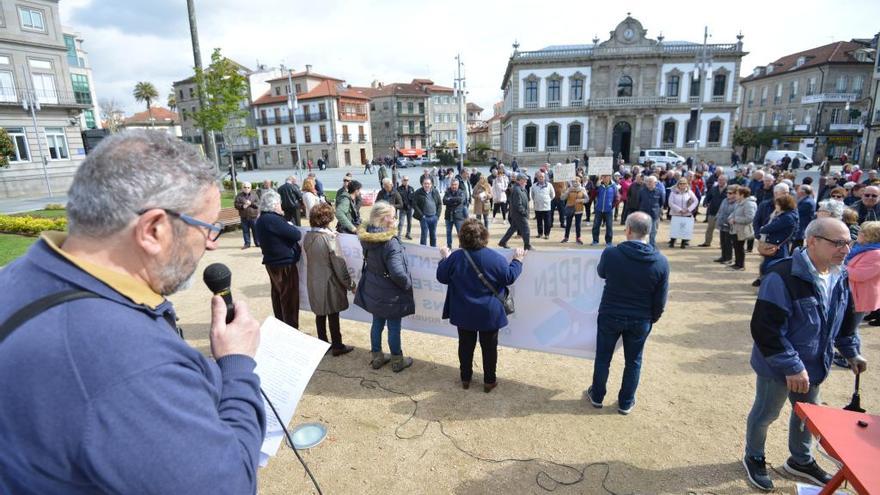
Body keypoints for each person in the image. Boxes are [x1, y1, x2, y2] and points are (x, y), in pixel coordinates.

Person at [0, 131, 265, 493]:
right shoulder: (128, 360)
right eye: (207, 228)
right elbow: (228, 485)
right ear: (154, 229)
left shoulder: (17, 275)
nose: (212, 243)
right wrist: (236, 366)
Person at [743, 218, 867, 491]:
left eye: (848, 242)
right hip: (778, 366)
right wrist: (792, 366)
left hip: (814, 365)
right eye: (837, 243)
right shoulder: (782, 275)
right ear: (812, 241)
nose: (845, 249)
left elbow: (844, 321)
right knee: (765, 414)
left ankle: (800, 460)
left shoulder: (840, 275)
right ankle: (754, 456)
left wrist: (851, 352)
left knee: (808, 415)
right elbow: (766, 330)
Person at [586, 212, 669, 415]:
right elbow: (660, 299)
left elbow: (601, 272)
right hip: (641, 318)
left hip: (611, 314)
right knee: (634, 361)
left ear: (628, 230)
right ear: (649, 232)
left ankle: (597, 395)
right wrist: (652, 318)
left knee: (603, 357)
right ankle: (626, 401)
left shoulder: (611, 254)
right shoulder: (660, 261)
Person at [437, 219, 525, 393]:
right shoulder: (494, 257)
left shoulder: (456, 257)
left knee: (465, 345)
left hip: (463, 311)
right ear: (484, 236)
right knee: (489, 347)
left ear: (462, 237)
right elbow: (509, 277)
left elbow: (442, 276)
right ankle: (489, 381)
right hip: (489, 313)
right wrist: (518, 260)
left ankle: (465, 378)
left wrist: (444, 258)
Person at [354, 201, 416, 372]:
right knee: (394, 326)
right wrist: (407, 284)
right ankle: (397, 360)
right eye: (393, 217)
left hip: (374, 286)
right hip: (390, 291)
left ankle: (377, 357)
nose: (396, 220)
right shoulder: (390, 242)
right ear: (384, 218)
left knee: (377, 323)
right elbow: (397, 272)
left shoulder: (366, 237)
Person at [303, 203, 356, 356]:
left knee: (320, 314)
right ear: (327, 219)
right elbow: (339, 265)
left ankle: (322, 343)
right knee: (333, 314)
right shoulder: (328, 239)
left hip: (314, 280)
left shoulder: (308, 236)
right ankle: (337, 345)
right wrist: (350, 284)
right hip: (329, 282)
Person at [255, 191, 302, 330]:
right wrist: (289, 224)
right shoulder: (272, 219)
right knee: (289, 299)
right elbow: (296, 234)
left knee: (278, 295)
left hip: (273, 261)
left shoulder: (262, 219)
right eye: (279, 204)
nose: (281, 207)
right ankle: (291, 330)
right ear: (275, 205)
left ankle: (282, 327)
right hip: (283, 263)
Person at [754, 194, 798, 287]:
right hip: (777, 246)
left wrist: (763, 228)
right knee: (767, 267)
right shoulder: (786, 215)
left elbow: (769, 228)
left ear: (784, 205)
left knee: (771, 268)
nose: (775, 206)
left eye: (777, 204)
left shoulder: (787, 217)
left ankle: (769, 288)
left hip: (778, 247)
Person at [847, 222, 880, 327]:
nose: (858, 234)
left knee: (850, 331)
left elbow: (860, 275)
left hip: (860, 297)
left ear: (870, 236)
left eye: (861, 232)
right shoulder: (860, 249)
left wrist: (839, 268)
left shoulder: (876, 253)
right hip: (854, 295)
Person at [499, 174, 532, 250]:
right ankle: (527, 245)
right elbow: (518, 205)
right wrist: (525, 212)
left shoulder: (522, 188)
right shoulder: (517, 190)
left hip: (518, 214)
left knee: (513, 228)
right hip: (519, 214)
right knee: (526, 229)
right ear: (520, 180)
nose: (526, 181)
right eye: (525, 180)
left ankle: (503, 242)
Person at [729, 186, 757, 271]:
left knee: (740, 247)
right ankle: (737, 263)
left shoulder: (749, 204)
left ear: (742, 195)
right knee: (736, 246)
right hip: (736, 228)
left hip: (742, 229)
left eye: (737, 194)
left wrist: (735, 219)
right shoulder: (739, 202)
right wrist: (730, 218)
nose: (735, 195)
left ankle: (741, 265)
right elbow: (734, 213)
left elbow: (750, 218)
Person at [667, 178, 698, 249]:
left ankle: (683, 243)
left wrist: (689, 209)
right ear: (678, 184)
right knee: (675, 228)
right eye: (681, 183)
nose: (682, 185)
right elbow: (670, 203)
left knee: (685, 228)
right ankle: (672, 242)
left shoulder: (689, 192)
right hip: (676, 213)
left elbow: (696, 201)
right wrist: (680, 210)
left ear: (687, 184)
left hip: (687, 214)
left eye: (684, 184)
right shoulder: (673, 192)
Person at [698, 174, 728, 247]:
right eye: (719, 180)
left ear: (726, 180)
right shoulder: (713, 188)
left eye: (722, 180)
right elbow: (708, 197)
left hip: (724, 213)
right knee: (710, 228)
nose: (720, 181)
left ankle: (723, 245)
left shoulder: (729, 190)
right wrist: (705, 202)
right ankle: (707, 242)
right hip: (713, 211)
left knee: (723, 230)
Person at [413, 177, 442, 247]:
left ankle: (433, 250)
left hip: (434, 217)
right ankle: (423, 251)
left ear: (431, 184)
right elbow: (414, 204)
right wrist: (422, 215)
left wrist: (437, 216)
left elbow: (439, 204)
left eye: (428, 184)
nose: (427, 185)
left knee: (433, 236)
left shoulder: (435, 191)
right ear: (422, 184)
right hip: (424, 218)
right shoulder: (418, 192)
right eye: (425, 183)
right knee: (424, 236)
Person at [638, 176, 664, 246]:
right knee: (642, 230)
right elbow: (639, 201)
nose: (648, 183)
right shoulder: (642, 191)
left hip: (654, 214)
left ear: (655, 183)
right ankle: (642, 244)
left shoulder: (659, 191)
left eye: (650, 182)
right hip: (643, 214)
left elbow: (662, 202)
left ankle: (652, 245)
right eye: (647, 182)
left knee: (653, 231)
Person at [592, 174, 618, 246]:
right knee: (596, 225)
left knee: (609, 226)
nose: (604, 178)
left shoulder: (613, 186)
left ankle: (609, 241)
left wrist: (611, 206)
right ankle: (595, 240)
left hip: (608, 210)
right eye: (603, 176)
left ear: (610, 177)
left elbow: (617, 197)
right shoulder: (599, 186)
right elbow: (593, 195)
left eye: (606, 176)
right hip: (599, 209)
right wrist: (596, 187)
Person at [234, 181, 260, 249]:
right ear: (242, 188)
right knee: (245, 231)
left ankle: (257, 243)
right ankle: (247, 244)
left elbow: (258, 204)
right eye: (245, 187)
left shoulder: (254, 195)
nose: (246, 188)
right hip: (244, 217)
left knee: (256, 230)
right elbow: (236, 205)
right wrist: (242, 206)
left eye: (248, 187)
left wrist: (251, 203)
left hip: (253, 216)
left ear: (250, 188)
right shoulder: (239, 196)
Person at [561, 177, 587, 244]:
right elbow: (562, 198)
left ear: (579, 182)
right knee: (568, 224)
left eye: (576, 181)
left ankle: (578, 238)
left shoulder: (582, 189)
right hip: (570, 208)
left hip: (579, 210)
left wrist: (581, 200)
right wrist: (564, 192)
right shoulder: (569, 189)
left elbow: (587, 199)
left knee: (578, 225)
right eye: (573, 181)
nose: (575, 183)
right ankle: (566, 237)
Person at [443, 179, 468, 249]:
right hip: (448, 216)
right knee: (448, 232)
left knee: (460, 233)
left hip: (459, 216)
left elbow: (460, 200)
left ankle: (461, 246)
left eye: (455, 185)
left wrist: (450, 199)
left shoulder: (461, 192)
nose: (454, 186)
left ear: (458, 185)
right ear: (450, 185)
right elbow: (444, 201)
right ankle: (449, 246)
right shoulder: (447, 192)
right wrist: (454, 200)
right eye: (452, 185)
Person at [531, 171, 555, 240]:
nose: (540, 178)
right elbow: (532, 195)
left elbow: (553, 195)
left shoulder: (549, 185)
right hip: (538, 207)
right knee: (539, 221)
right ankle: (540, 233)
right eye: (539, 177)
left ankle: (547, 234)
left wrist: (548, 200)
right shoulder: (534, 185)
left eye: (542, 177)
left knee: (547, 221)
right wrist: (536, 200)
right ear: (537, 178)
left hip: (546, 207)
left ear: (544, 177)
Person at [792, 185, 817, 250]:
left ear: (803, 192)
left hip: (801, 228)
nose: (797, 191)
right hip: (800, 228)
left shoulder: (807, 202)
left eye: (798, 190)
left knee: (796, 247)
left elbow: (796, 212)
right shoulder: (805, 200)